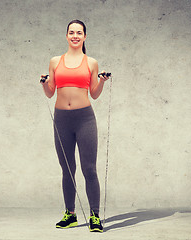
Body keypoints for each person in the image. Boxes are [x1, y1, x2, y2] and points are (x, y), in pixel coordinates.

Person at [40, 19, 110, 233]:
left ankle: (95, 216)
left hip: (84, 118)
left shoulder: (91, 63)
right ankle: (70, 214)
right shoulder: (55, 61)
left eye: (79, 32)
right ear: (67, 35)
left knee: (89, 169)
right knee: (67, 169)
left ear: (85, 36)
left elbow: (95, 94)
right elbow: (51, 92)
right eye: (71, 32)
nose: (75, 36)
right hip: (61, 119)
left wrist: (103, 82)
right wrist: (44, 83)